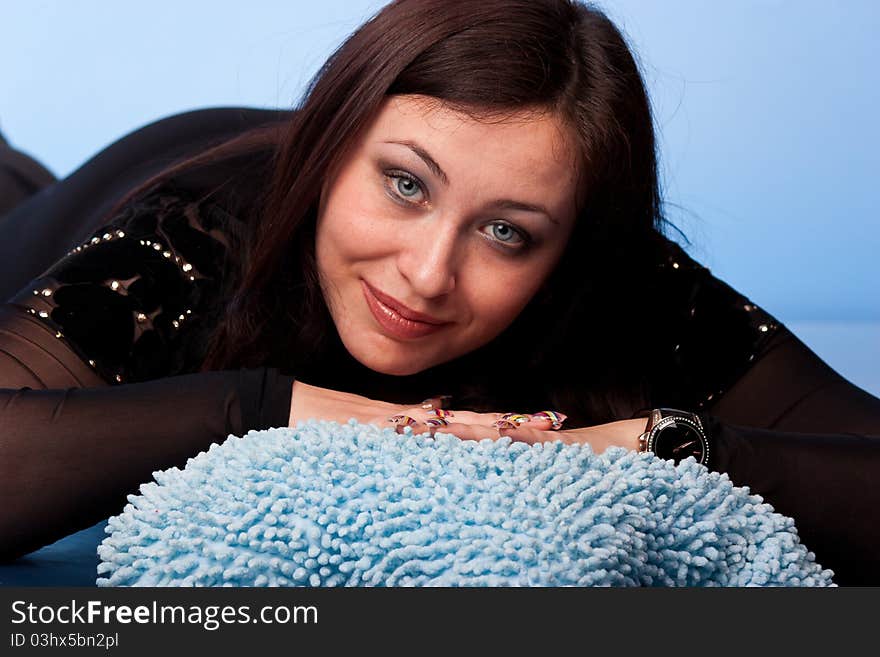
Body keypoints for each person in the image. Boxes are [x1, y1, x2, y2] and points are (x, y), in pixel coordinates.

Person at [1, 0, 878, 585]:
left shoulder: (622, 284)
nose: (427, 274)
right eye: (405, 185)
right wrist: (265, 406)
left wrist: (675, 445)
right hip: (107, 188)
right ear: (334, 143)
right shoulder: (190, 241)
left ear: (570, 244)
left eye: (508, 232)